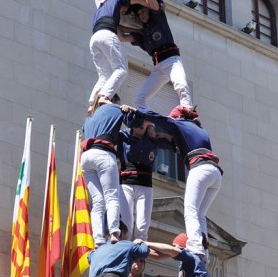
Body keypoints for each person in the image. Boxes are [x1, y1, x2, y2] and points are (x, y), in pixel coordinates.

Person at [130, 105, 222, 258]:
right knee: (200, 215)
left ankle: (195, 247)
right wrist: (167, 138)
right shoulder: (199, 129)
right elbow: (183, 144)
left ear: (177, 117)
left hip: (199, 169)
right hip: (215, 174)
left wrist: (137, 111)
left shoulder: (180, 123)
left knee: (190, 210)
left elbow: (160, 119)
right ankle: (204, 252)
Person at [127, 0, 193, 110]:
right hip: (159, 68)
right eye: (140, 15)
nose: (142, 16)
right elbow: (122, 35)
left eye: (144, 12)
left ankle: (188, 112)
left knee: (181, 86)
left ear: (149, 11)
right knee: (139, 98)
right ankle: (145, 119)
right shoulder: (143, 35)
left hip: (172, 61)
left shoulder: (158, 18)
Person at [88, 0, 159, 110]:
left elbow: (120, 29)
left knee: (104, 75)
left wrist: (136, 31)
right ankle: (105, 97)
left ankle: (91, 103)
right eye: (125, 9)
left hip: (94, 38)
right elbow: (137, 0)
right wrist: (151, 4)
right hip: (107, 35)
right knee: (121, 70)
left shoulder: (101, 8)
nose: (125, 12)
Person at [82, 94, 137, 246]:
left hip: (86, 157)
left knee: (98, 201)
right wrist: (125, 110)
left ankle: (98, 238)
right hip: (103, 154)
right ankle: (114, 232)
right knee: (112, 196)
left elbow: (86, 128)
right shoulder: (115, 108)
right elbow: (134, 122)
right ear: (113, 101)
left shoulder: (89, 119)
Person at [117, 118, 172, 241]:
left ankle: (139, 259)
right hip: (126, 184)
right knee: (126, 224)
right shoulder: (123, 135)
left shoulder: (153, 140)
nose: (139, 127)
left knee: (143, 226)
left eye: (143, 125)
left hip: (145, 185)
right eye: (138, 124)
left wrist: (158, 131)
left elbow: (174, 143)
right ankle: (124, 253)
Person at [87, 222, 151, 277]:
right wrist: (141, 242)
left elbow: (89, 257)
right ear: (122, 232)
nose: (127, 237)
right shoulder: (126, 245)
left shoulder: (96, 252)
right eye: (127, 234)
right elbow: (144, 252)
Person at [144, 233, 217, 277]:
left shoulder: (191, 258)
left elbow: (172, 250)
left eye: (176, 246)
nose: (175, 247)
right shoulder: (186, 267)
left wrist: (146, 243)